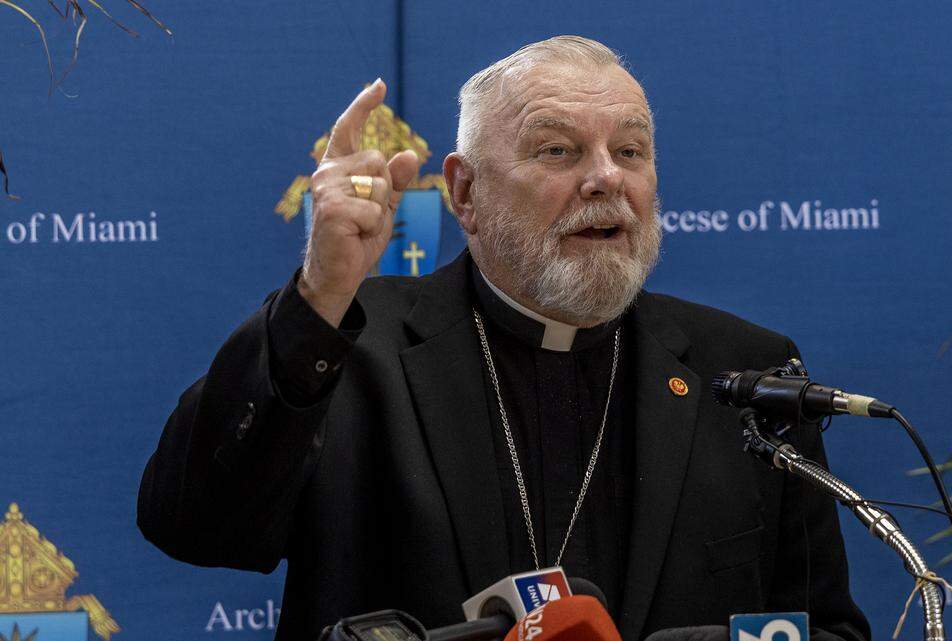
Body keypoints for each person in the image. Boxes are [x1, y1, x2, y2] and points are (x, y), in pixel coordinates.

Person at [138, 36, 871, 641]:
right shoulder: (352, 349)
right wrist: (320, 296)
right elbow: (194, 524)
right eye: (558, 151)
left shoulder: (744, 371)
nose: (605, 179)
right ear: (464, 194)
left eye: (632, 151)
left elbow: (827, 629)